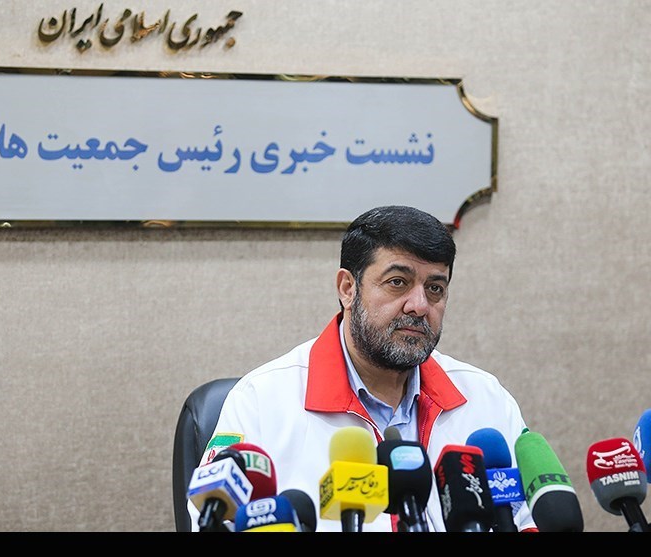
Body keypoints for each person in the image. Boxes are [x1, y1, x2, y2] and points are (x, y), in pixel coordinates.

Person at [190, 205, 536, 532]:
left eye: (435, 288)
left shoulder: (486, 399)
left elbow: (528, 518)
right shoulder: (261, 401)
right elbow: (211, 521)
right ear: (348, 288)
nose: (419, 306)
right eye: (397, 282)